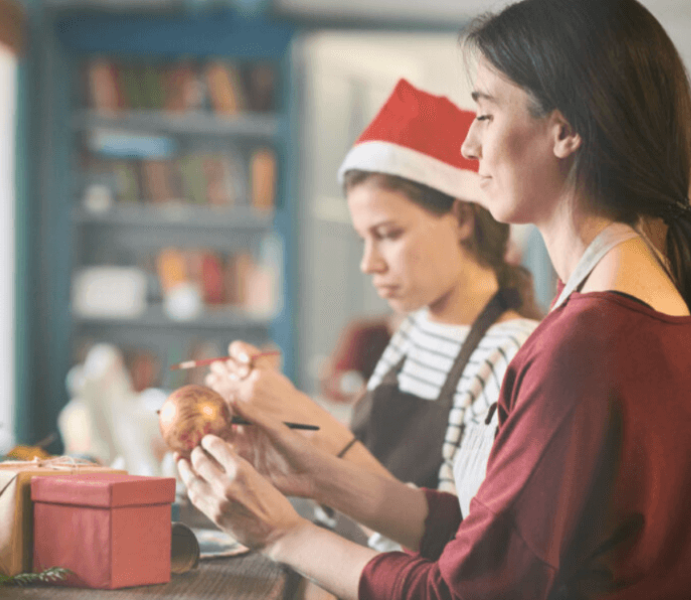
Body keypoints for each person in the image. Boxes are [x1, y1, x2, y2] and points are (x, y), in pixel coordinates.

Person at [179, 1, 691, 598]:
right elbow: (494, 540)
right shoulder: (635, 307)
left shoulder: (590, 344)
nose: (469, 145)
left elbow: (461, 593)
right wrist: (318, 476)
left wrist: (280, 534)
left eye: (486, 114)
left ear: (565, 131)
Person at [207, 79, 541, 511]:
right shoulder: (414, 331)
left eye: (387, 235)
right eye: (364, 238)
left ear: (461, 218)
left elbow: (452, 540)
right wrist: (278, 431)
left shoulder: (512, 353)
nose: (369, 263)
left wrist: (301, 417)